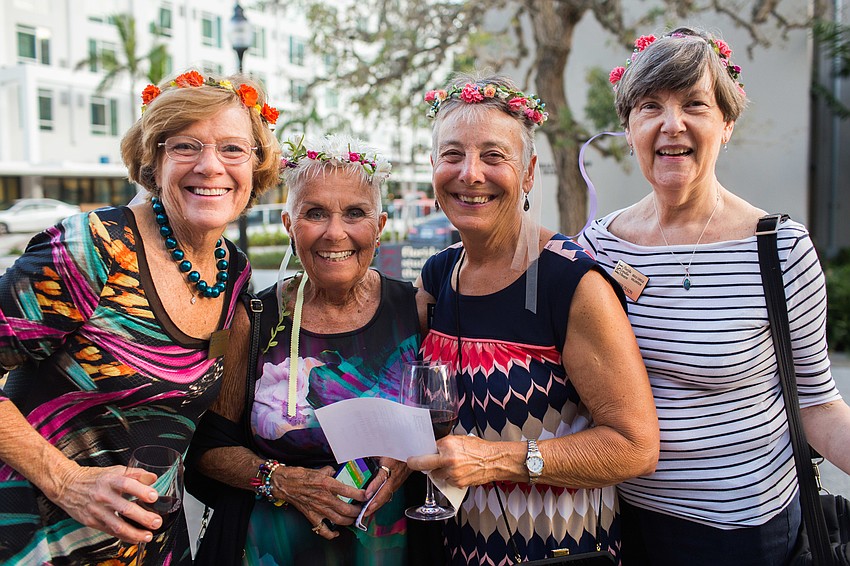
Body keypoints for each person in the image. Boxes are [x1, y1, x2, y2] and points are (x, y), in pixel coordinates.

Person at [579, 27, 850, 564]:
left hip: (745, 531)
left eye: (695, 104)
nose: (670, 123)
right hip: (622, 521)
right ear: (629, 128)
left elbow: (818, 404)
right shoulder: (598, 246)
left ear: (726, 124)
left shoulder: (779, 247)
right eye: (649, 105)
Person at [0, 69, 281, 564]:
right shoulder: (93, 248)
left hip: (153, 547)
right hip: (35, 542)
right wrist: (65, 480)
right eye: (186, 146)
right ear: (154, 160)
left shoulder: (232, 271)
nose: (211, 166)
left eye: (233, 149)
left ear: (256, 166)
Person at [406, 74, 660, 564]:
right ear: (433, 166)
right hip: (453, 547)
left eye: (494, 156)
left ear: (528, 173)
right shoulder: (439, 274)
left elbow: (636, 446)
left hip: (557, 549)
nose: (471, 173)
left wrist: (497, 460)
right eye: (452, 154)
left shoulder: (571, 284)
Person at [186, 133, 422, 566]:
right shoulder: (254, 318)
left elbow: (448, 421)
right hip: (273, 549)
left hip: (392, 549)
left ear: (381, 225)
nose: (335, 233)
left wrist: (406, 458)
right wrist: (285, 481)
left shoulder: (416, 310)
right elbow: (207, 449)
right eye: (314, 213)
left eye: (355, 213)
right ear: (288, 224)